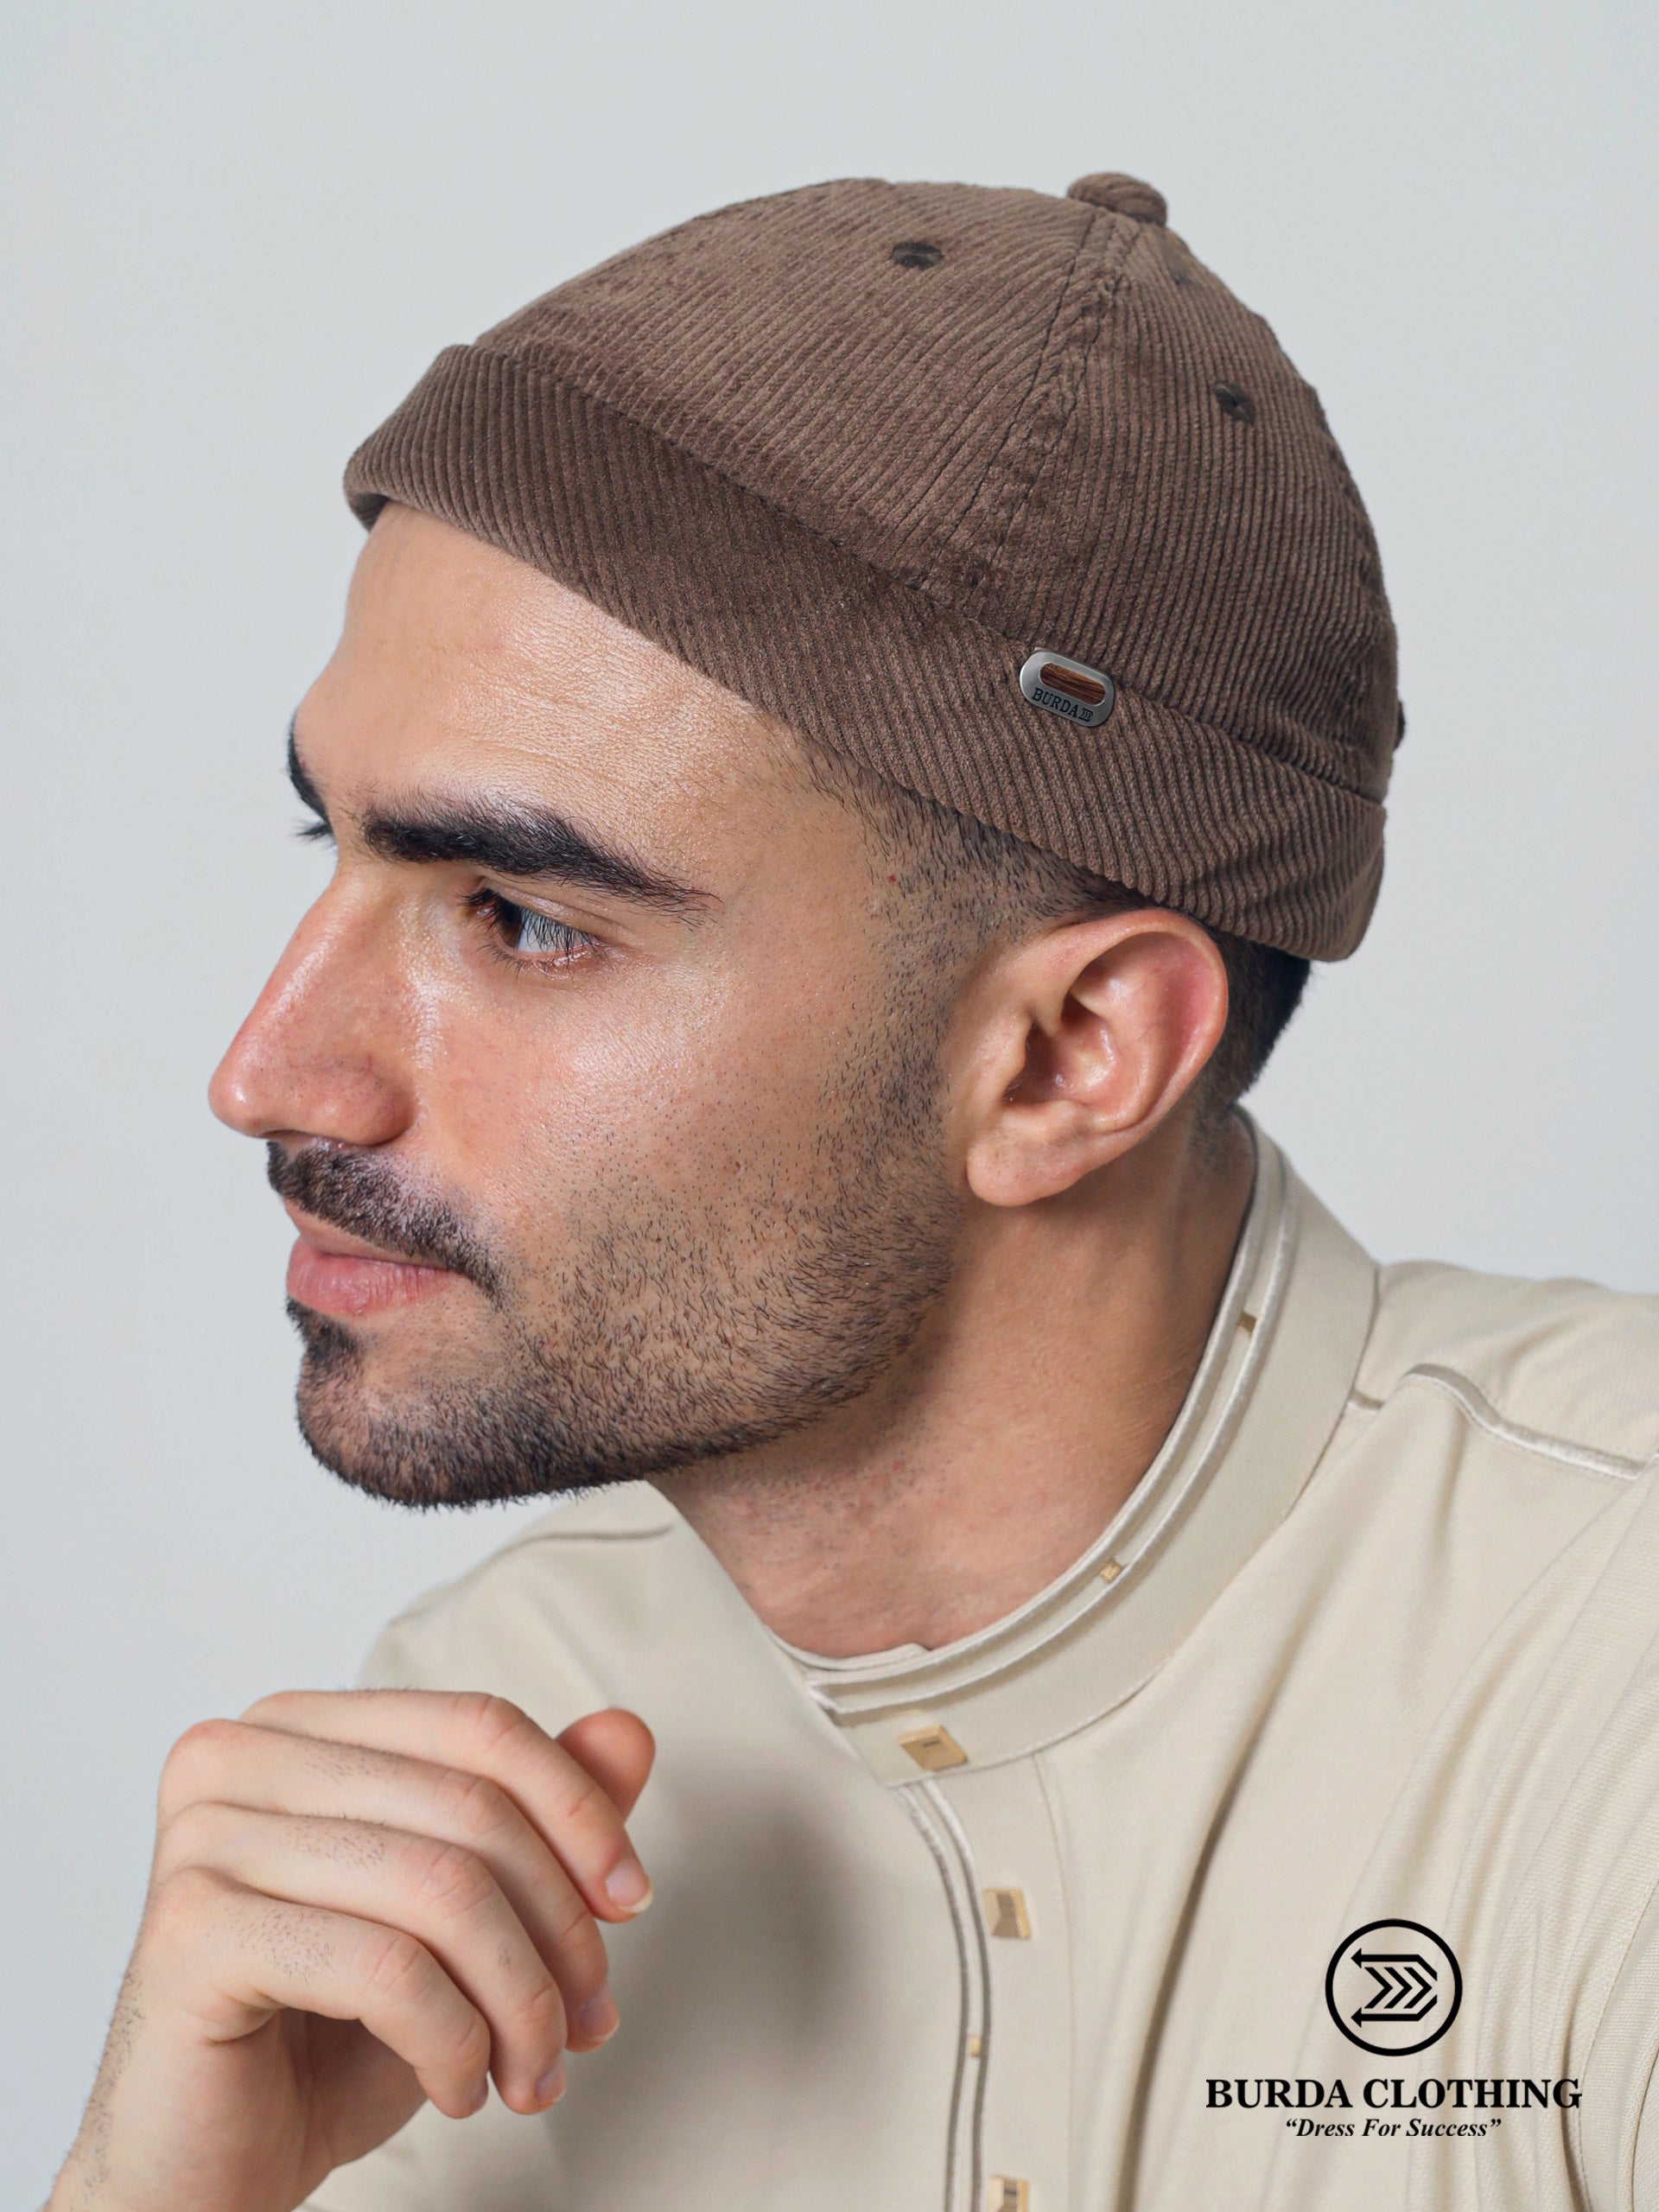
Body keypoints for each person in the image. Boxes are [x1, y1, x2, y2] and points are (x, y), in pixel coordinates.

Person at [48, 171, 1658, 2212]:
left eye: (522, 916)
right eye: (334, 849)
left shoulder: (1611, 1673)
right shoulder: (479, 1747)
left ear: (1069, 1056)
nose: (268, 1072)